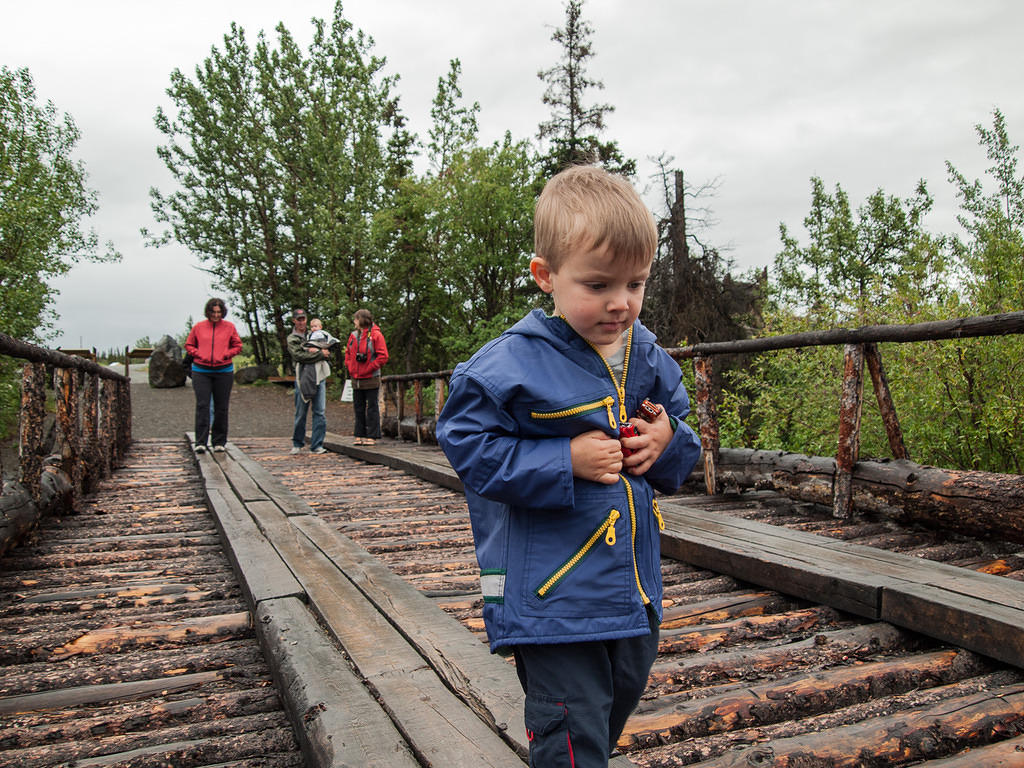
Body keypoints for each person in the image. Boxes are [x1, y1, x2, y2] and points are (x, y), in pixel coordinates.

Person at [436, 165, 702, 768]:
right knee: (570, 727)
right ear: (546, 276)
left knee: (612, 706)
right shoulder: (508, 366)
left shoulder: (649, 357)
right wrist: (564, 458)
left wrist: (667, 440)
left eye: (636, 283)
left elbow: (684, 437)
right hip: (551, 595)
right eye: (598, 284)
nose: (620, 303)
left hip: (632, 590)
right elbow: (468, 446)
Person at [184, 297, 243, 454]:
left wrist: (226, 354)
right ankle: (201, 442)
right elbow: (189, 345)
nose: (216, 315)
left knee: (221, 407)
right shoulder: (198, 327)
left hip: (223, 371)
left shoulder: (229, 327)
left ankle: (219, 441)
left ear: (222, 312)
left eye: (219, 312)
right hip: (201, 371)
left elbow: (238, 345)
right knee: (202, 405)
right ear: (208, 312)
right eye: (213, 312)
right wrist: (198, 354)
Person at [287, 308, 331, 455]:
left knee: (320, 411)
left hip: (319, 376)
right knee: (301, 411)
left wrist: (320, 353)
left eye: (303, 319)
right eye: (298, 319)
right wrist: (319, 354)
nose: (301, 322)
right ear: (294, 320)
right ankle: (297, 443)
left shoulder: (316, 333)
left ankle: (317, 444)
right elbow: (299, 356)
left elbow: (327, 351)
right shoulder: (292, 338)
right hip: (303, 377)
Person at [345, 308, 389, 445]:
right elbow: (347, 354)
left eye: (356, 319)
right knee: (358, 407)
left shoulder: (376, 335)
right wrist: (351, 368)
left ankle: (372, 436)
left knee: (372, 407)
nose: (354, 322)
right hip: (356, 378)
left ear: (362, 320)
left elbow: (383, 356)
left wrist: (369, 367)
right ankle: (359, 434)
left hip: (371, 378)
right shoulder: (353, 336)